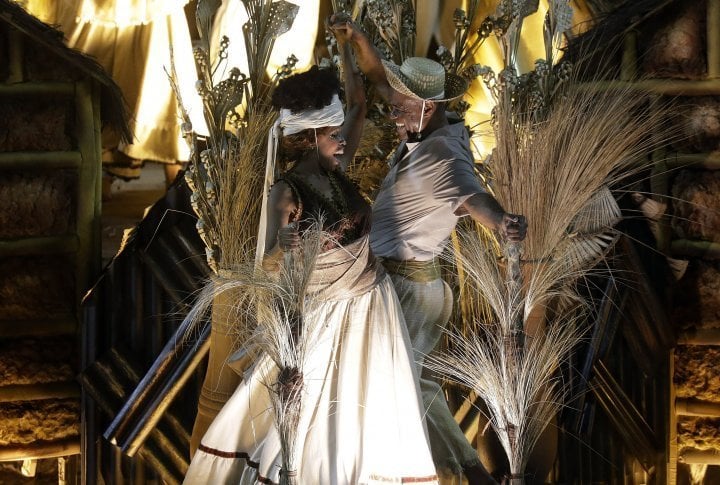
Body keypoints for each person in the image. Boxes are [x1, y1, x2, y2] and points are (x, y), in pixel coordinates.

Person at [183, 34, 439, 485]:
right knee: (325, 412)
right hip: (327, 315)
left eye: (342, 134)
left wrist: (345, 51)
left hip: (372, 308)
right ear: (309, 137)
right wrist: (284, 246)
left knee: (373, 406)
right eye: (335, 135)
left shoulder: (336, 172)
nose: (344, 141)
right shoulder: (287, 192)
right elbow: (266, 266)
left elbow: (358, 106)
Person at [330, 16, 527, 485]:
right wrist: (358, 39)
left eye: (401, 110)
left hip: (411, 289)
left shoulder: (442, 156)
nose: (393, 116)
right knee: (403, 384)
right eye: (394, 108)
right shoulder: (422, 131)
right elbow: (379, 82)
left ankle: (468, 473)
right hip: (400, 282)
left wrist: (501, 221)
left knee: (411, 386)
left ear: (429, 107)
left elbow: (470, 195)